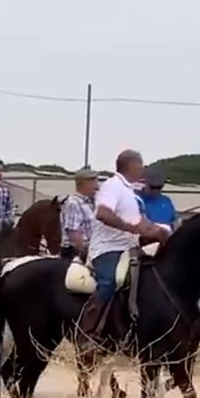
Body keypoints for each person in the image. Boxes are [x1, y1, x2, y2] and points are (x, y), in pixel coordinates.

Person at [76, 149, 167, 353]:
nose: (143, 169)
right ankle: (87, 332)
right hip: (108, 248)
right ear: (131, 166)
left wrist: (156, 230)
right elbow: (103, 213)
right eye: (140, 165)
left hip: (129, 248)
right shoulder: (112, 186)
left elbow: (139, 222)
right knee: (110, 281)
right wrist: (131, 228)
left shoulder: (131, 191)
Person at [60, 168, 99, 260]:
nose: (98, 188)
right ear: (84, 184)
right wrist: (86, 255)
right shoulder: (73, 203)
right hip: (75, 254)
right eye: (94, 184)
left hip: (91, 250)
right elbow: (74, 233)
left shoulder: (91, 203)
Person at [139, 168, 177, 233]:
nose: (155, 191)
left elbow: (176, 220)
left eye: (159, 188)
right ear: (146, 183)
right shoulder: (138, 201)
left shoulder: (166, 200)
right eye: (153, 187)